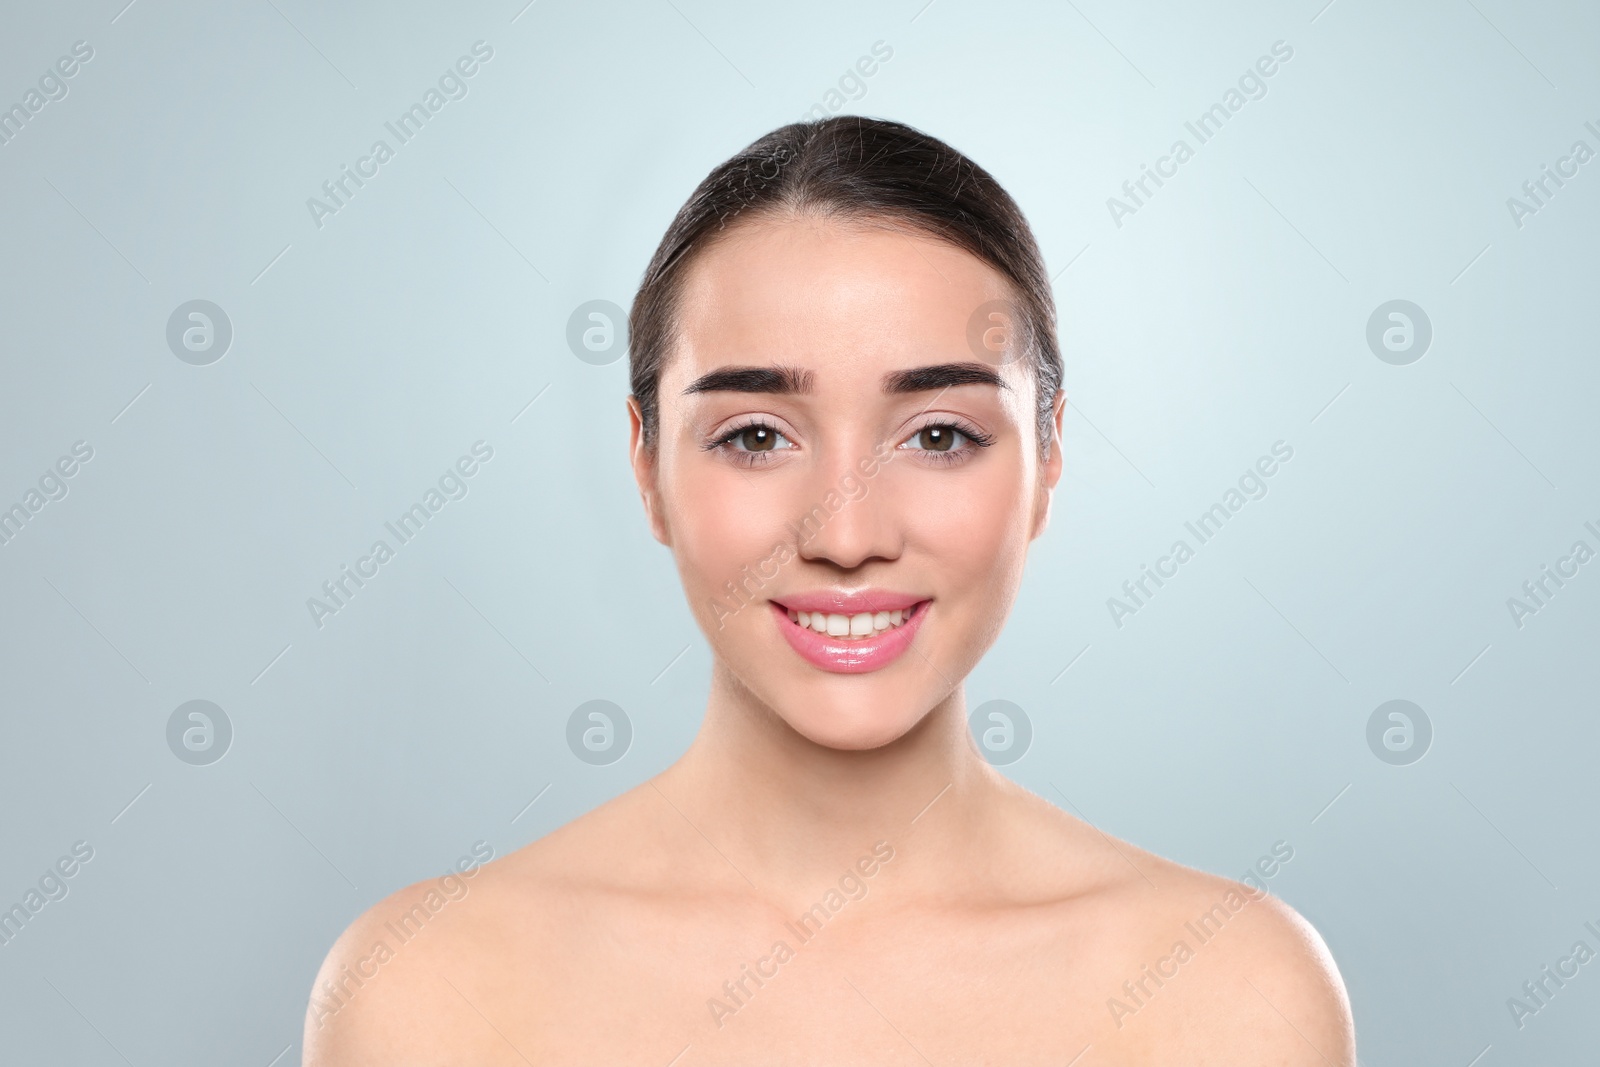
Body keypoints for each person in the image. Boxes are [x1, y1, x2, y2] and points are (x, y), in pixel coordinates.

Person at [305, 116, 1355, 1065]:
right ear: (646, 467)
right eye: (755, 436)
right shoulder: (427, 992)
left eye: (939, 434)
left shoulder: (1228, 995)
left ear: (1046, 456)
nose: (846, 535)